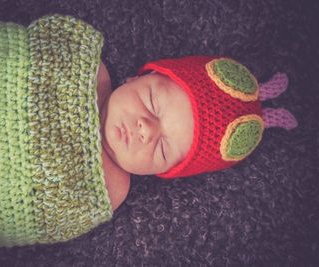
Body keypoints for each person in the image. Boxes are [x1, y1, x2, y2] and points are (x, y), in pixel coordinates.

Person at [97, 56, 298, 211]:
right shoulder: (94, 73)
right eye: (151, 103)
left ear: (164, 173)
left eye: (162, 151)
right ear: (135, 79)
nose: (147, 130)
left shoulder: (114, 188)